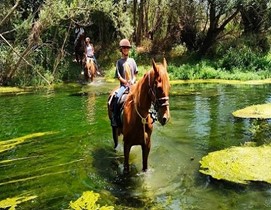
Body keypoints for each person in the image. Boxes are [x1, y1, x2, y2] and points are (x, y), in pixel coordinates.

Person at [111, 38, 138, 127]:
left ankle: (149, 115)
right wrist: (125, 82)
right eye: (124, 48)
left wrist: (133, 80)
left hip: (133, 84)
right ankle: (115, 118)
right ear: (121, 50)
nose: (126, 49)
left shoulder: (132, 61)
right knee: (117, 97)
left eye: (127, 48)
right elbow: (118, 76)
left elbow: (135, 73)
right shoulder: (119, 62)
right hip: (124, 85)